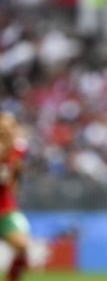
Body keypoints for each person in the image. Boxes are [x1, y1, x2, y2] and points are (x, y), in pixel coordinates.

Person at [0, 112, 29, 281]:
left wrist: (14, 181)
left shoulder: (17, 150)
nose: (8, 130)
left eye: (11, 127)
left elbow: (16, 171)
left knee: (22, 246)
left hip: (5, 206)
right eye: (4, 127)